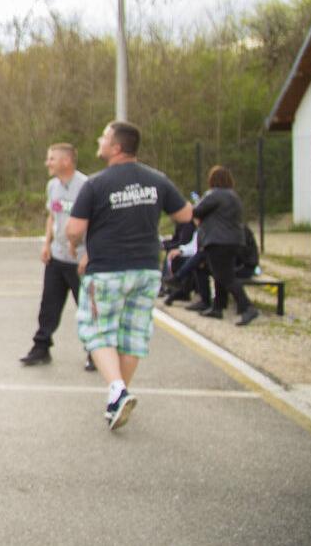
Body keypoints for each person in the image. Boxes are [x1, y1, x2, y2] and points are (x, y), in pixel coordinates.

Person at [67, 121, 193, 431]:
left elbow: (74, 229)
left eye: (104, 137)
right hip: (146, 269)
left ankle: (117, 390)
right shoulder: (157, 180)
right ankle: (117, 400)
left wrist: (75, 244)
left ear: (117, 147)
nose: (99, 140)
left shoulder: (96, 184)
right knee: (133, 336)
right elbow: (185, 214)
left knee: (97, 332)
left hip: (107, 270)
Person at [20, 143, 93, 370]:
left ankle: (94, 350)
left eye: (51, 159)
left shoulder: (86, 187)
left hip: (80, 260)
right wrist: (47, 244)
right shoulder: (52, 186)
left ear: (66, 161)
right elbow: (52, 216)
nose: (47, 163)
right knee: (49, 305)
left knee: (87, 308)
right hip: (57, 257)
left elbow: (96, 224)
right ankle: (41, 347)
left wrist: (89, 254)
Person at [193, 166, 260, 326]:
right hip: (234, 241)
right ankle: (218, 307)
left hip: (218, 241)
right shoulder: (234, 196)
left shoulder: (213, 194)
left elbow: (197, 211)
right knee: (220, 273)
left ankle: (247, 307)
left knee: (225, 276)